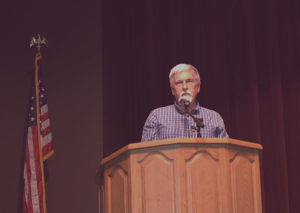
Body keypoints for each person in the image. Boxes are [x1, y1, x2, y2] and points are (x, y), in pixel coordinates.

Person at [141, 63, 229, 142]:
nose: (184, 87)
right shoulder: (157, 116)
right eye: (179, 83)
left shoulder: (214, 117)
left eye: (189, 81)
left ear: (198, 87)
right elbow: (146, 155)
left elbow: (226, 153)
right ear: (172, 90)